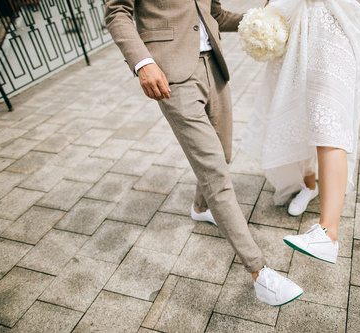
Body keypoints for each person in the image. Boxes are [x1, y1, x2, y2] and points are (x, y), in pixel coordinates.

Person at [104, 0, 303, 306]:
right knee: (215, 173)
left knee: (223, 154)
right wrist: (142, 62)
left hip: (215, 67)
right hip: (170, 73)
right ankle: (259, 272)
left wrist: (262, 23)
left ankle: (200, 208)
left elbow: (214, 13)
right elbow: (118, 12)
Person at [241, 0, 360, 264]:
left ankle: (328, 233)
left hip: (331, 33)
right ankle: (309, 185)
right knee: (300, 120)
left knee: (328, 125)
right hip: (299, 35)